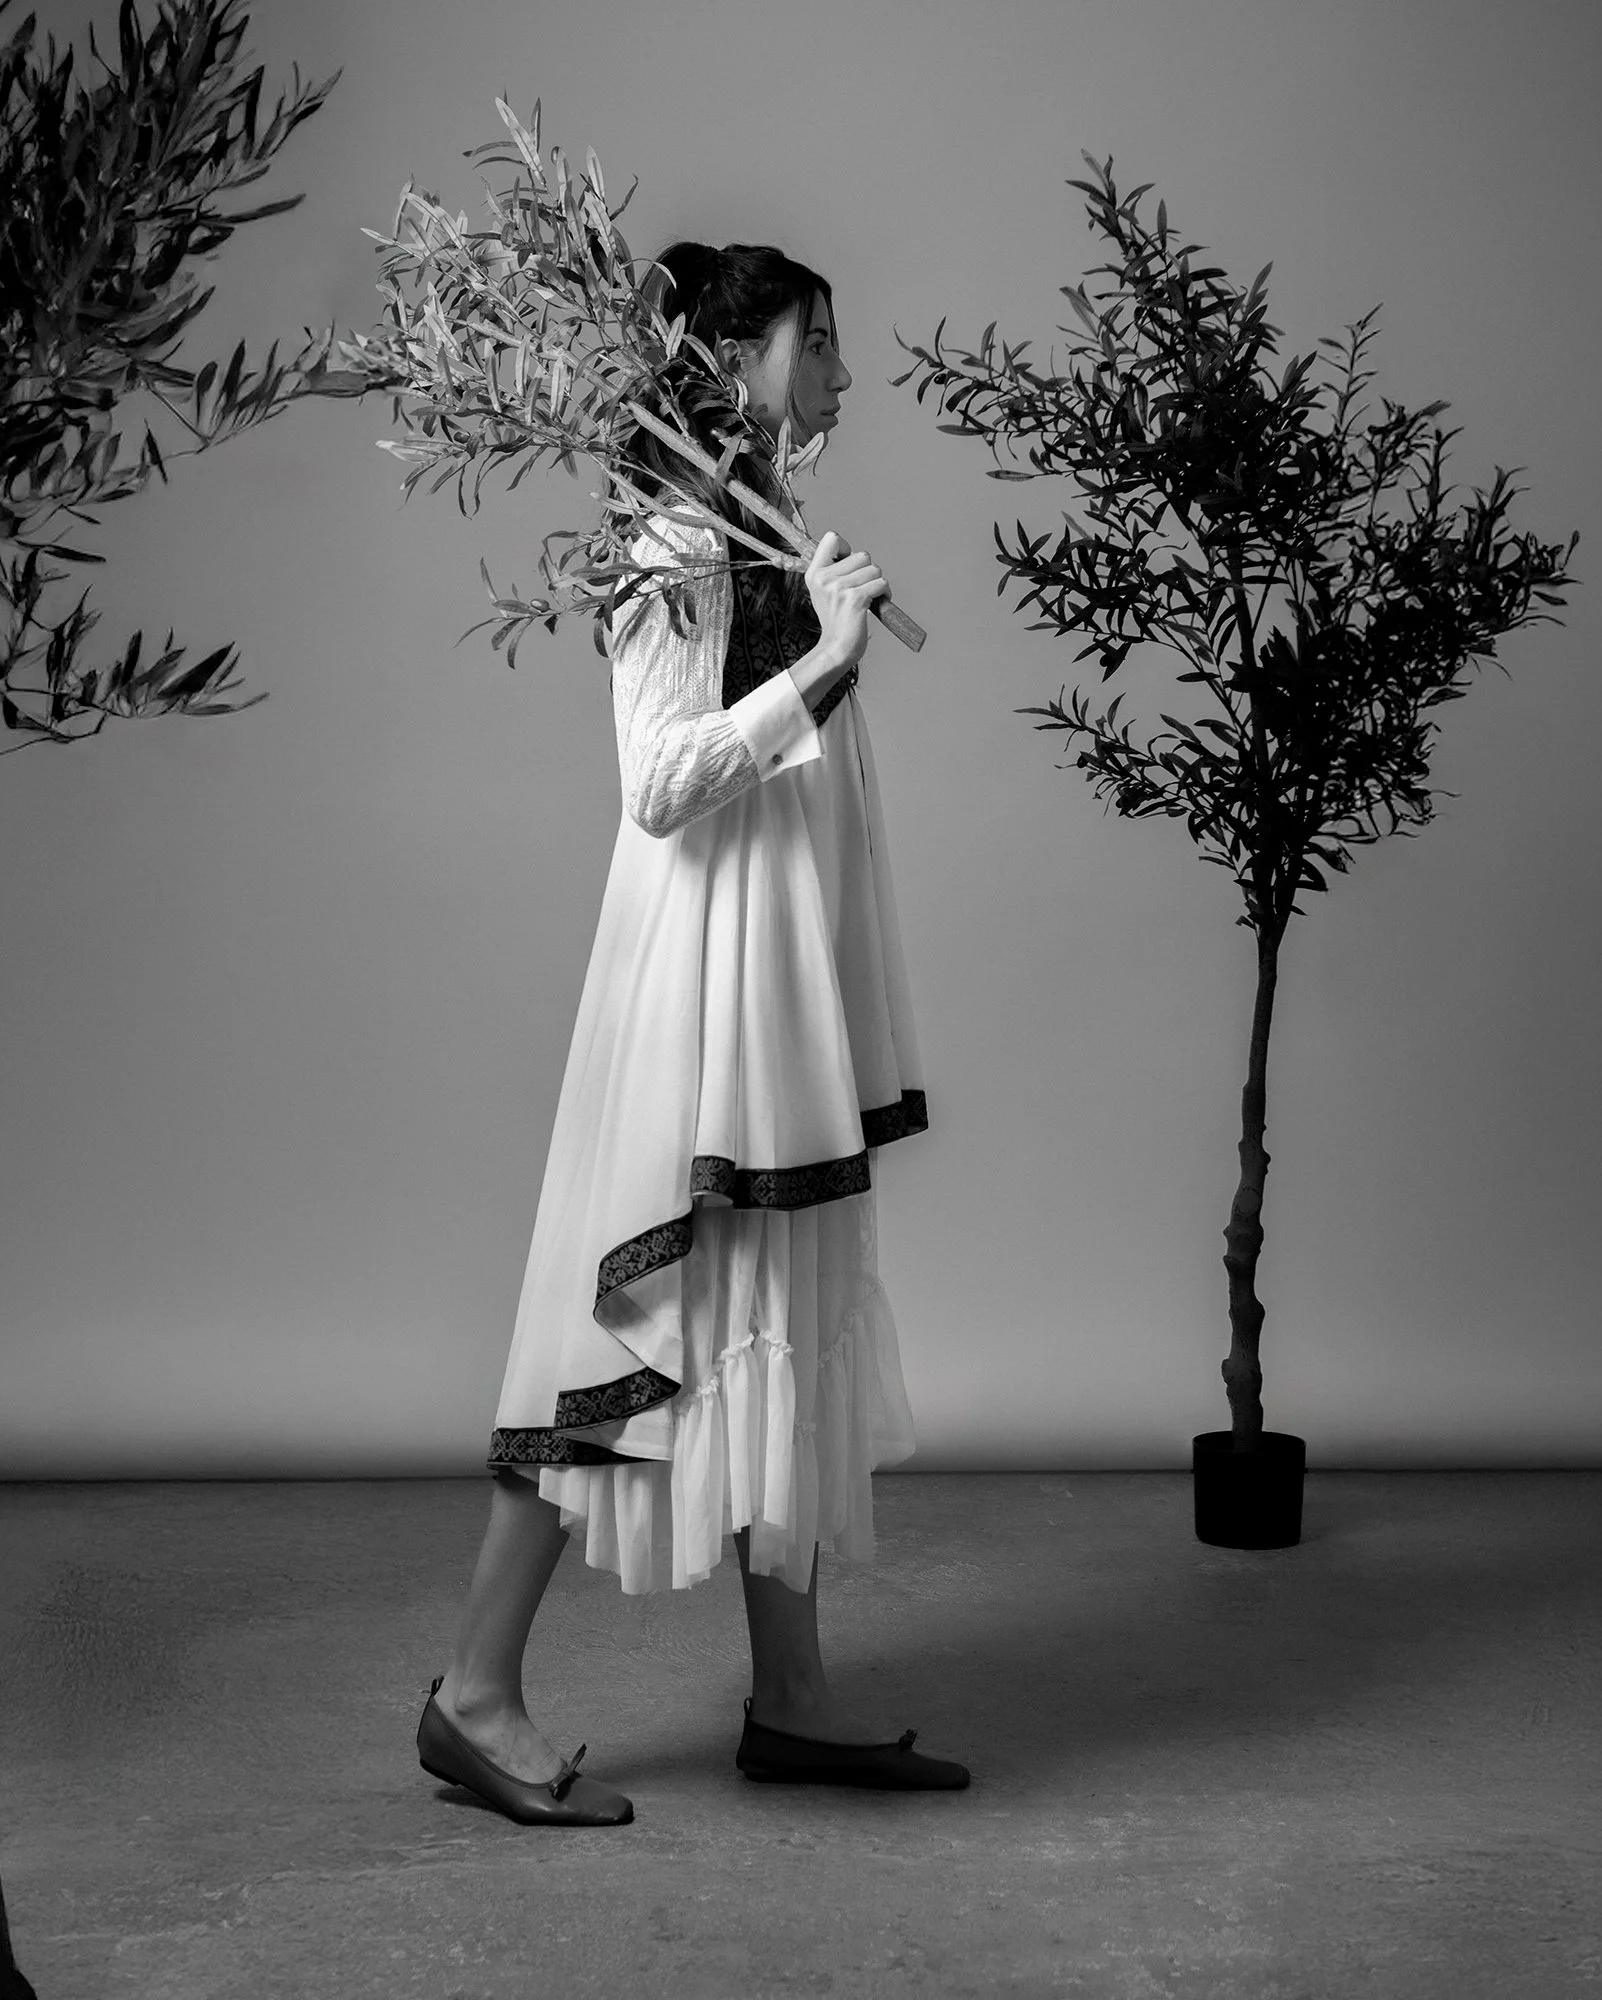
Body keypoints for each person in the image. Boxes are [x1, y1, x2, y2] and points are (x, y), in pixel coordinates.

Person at [415, 241, 968, 1825]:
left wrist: (819, 635)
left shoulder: (755, 512)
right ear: (734, 359)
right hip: (698, 978)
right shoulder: (670, 532)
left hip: (774, 974)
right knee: (633, 1319)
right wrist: (828, 659)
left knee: (773, 1304)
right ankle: (473, 1697)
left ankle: (791, 1695)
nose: (843, 378)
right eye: (819, 344)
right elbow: (657, 782)